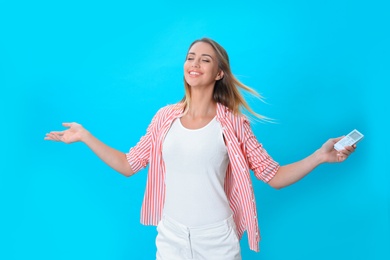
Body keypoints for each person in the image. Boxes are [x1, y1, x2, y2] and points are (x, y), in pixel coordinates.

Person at [44, 38, 356, 260]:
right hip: (171, 237)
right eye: (191, 56)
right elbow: (129, 164)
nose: (195, 63)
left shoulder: (233, 125)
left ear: (219, 73)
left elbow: (272, 176)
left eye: (205, 59)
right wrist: (85, 136)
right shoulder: (164, 118)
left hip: (217, 240)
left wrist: (319, 156)